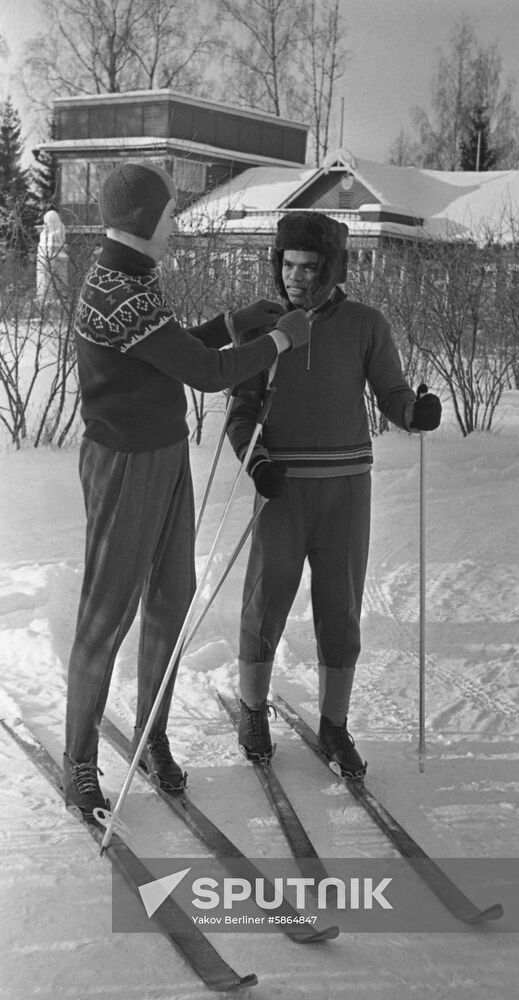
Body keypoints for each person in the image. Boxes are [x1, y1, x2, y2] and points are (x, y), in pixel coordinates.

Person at [63, 161, 311, 816]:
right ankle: (79, 765)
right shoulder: (116, 290)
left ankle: (151, 734)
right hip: (123, 464)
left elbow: (168, 351)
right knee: (106, 614)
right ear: (146, 221)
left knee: (172, 596)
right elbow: (202, 373)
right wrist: (281, 338)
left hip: (165, 454)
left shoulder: (134, 277)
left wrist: (235, 322)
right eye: (171, 214)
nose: (176, 226)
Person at [227, 210, 441, 779]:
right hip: (283, 488)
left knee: (340, 608)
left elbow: (392, 392)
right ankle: (252, 709)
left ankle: (334, 723)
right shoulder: (265, 325)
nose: (294, 278)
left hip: (346, 487)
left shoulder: (367, 324)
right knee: (265, 598)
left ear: (332, 269)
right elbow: (243, 413)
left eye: (308, 267)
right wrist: (259, 463)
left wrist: (414, 412)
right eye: (287, 265)